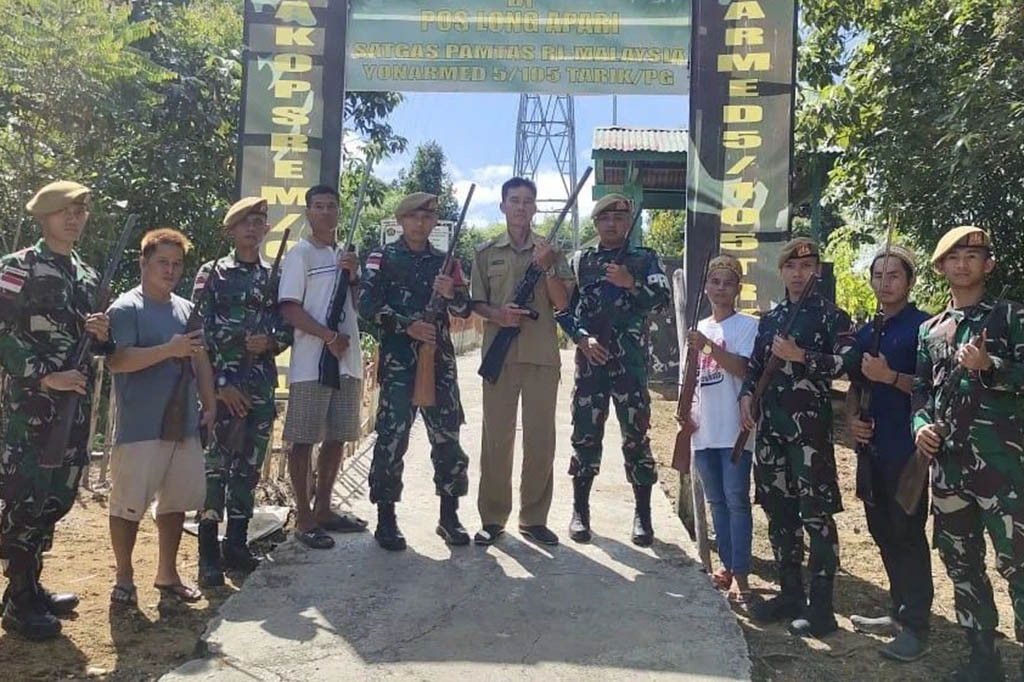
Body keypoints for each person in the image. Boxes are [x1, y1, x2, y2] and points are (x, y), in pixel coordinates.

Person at [0, 181, 113, 640]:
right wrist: (45, 375)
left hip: (74, 407)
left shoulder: (87, 275)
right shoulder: (18, 267)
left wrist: (103, 334)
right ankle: (18, 599)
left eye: (80, 211)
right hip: (33, 408)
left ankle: (30, 584)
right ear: (43, 216)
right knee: (25, 497)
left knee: (56, 497)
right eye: (64, 211)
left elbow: (99, 347)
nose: (73, 219)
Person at [912, 225, 1024, 681]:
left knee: (1017, 562)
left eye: (973, 256)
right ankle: (982, 656)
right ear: (941, 267)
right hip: (949, 468)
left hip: (1003, 467)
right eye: (954, 258)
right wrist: (920, 427)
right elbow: (921, 390)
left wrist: (990, 365)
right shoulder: (930, 329)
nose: (963, 264)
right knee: (960, 561)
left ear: (988, 265)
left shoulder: (1011, 316)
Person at [740, 237, 857, 638]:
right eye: (791, 266)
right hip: (771, 434)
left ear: (817, 271)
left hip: (809, 437)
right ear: (781, 271)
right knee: (779, 513)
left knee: (815, 515)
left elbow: (848, 364)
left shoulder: (832, 317)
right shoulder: (771, 320)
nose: (798, 273)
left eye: (806, 267)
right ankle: (790, 593)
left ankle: (821, 607)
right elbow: (755, 368)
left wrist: (802, 356)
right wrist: (745, 397)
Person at [106, 228, 217, 606]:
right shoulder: (125, 308)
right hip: (139, 427)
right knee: (127, 506)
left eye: (176, 264)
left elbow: (201, 360)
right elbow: (118, 361)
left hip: (183, 425)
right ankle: (124, 578)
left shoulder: (186, 310)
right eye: (162, 262)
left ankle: (167, 574)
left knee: (175, 503)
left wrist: (210, 403)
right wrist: (168, 349)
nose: (170, 270)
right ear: (144, 262)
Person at [358, 193, 472, 551]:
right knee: (391, 440)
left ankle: (449, 516)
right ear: (401, 221)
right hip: (398, 364)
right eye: (414, 217)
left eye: (428, 217)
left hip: (439, 363)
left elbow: (464, 309)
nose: (421, 223)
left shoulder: (447, 262)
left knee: (448, 438)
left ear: (435, 222)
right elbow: (366, 305)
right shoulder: (382, 257)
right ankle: (386, 518)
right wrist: (406, 325)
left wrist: (451, 293)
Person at [559, 194, 670, 546]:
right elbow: (564, 309)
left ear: (628, 223)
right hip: (591, 365)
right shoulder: (581, 261)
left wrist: (630, 283)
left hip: (630, 367)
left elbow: (662, 300)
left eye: (619, 218)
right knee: (585, 437)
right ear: (595, 223)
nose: (612, 224)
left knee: (636, 438)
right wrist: (581, 338)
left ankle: (643, 516)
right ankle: (580, 512)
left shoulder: (644, 258)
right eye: (605, 219)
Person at [192, 198, 291, 586]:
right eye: (245, 222)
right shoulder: (212, 273)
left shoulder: (276, 276)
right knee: (215, 469)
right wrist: (219, 385)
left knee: (247, 469)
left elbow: (288, 328)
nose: (253, 228)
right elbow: (197, 330)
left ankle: (236, 544)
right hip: (221, 387)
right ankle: (207, 555)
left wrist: (270, 342)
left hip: (260, 388)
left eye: (259, 221)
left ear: (266, 229)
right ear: (232, 229)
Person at [470, 177, 574, 547]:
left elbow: (563, 303)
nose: (521, 207)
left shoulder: (551, 252)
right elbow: (475, 302)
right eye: (514, 200)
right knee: (496, 440)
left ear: (535, 208)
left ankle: (534, 519)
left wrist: (547, 268)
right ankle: (492, 518)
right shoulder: (486, 253)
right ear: (502, 206)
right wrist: (498, 315)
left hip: (541, 357)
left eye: (528, 201)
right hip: (499, 357)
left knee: (541, 441)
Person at [845, 244, 932, 661]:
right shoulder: (867, 331)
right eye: (878, 275)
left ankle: (916, 626)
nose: (885, 283)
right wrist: (851, 420)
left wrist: (891, 376)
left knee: (907, 534)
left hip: (907, 450)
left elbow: (933, 387)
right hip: (872, 450)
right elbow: (856, 386)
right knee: (881, 531)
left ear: (910, 281)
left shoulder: (926, 327)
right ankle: (898, 612)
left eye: (894, 275)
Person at [278, 185, 367, 550]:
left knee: (337, 437)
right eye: (319, 206)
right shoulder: (300, 254)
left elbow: (361, 306)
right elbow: (289, 308)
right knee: (303, 439)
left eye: (332, 206)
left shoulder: (346, 254)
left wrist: (354, 276)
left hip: (347, 362)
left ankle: (325, 508)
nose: (326, 212)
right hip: (311, 364)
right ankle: (304, 516)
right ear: (308, 212)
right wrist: (327, 336)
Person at [684, 255, 758, 603]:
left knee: (737, 501)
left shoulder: (747, 326)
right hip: (703, 431)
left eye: (728, 283)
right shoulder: (699, 327)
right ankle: (727, 566)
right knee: (716, 502)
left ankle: (742, 576)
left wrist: (708, 346)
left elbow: (743, 368)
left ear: (738, 288)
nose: (721, 288)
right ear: (707, 287)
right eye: (715, 282)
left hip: (734, 431)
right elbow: (692, 378)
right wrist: (685, 413)